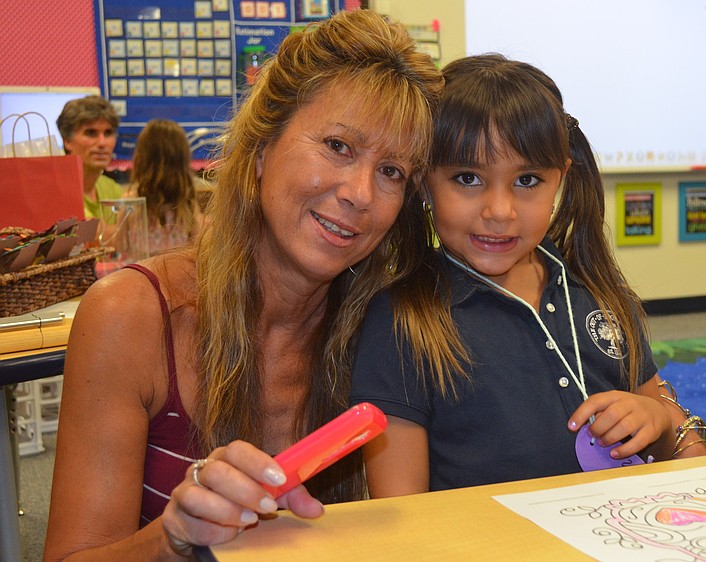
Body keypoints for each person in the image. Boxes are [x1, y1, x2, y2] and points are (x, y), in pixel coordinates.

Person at [43, 9, 442, 560]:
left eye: (392, 172)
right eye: (338, 146)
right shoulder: (133, 315)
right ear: (260, 151)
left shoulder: (388, 334)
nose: (361, 194)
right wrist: (175, 536)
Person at [350, 54, 706, 498]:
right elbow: (403, 516)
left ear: (560, 177)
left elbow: (692, 459)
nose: (500, 212)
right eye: (467, 178)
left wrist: (660, 421)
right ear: (425, 183)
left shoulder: (596, 290)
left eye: (527, 181)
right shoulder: (403, 320)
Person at [126, 118, 206, 255]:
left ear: (141, 157)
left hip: (140, 272)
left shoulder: (131, 201)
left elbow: (120, 247)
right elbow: (198, 245)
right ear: (182, 159)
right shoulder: (186, 202)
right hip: (176, 272)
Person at [56, 95, 123, 219]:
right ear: (67, 141)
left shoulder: (113, 189)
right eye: (91, 133)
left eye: (108, 133)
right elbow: (90, 235)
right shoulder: (55, 191)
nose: (102, 143)